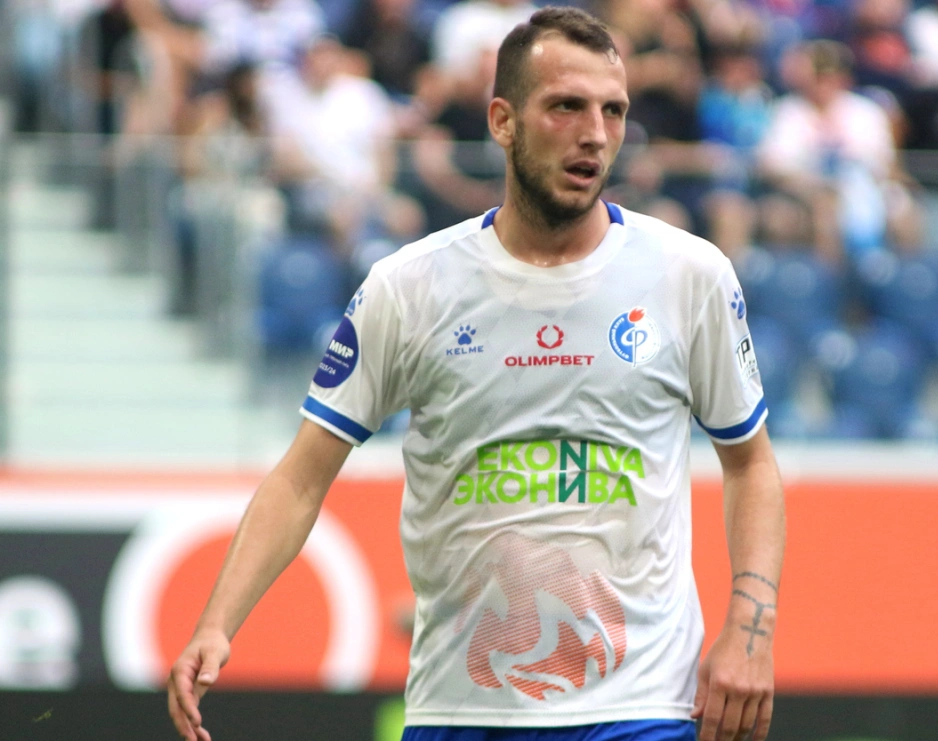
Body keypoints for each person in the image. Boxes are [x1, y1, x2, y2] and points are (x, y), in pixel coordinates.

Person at [166, 8, 786, 741]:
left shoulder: (690, 274)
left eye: (613, 110)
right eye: (567, 106)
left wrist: (751, 628)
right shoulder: (409, 286)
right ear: (502, 121)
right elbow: (302, 476)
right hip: (460, 709)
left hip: (642, 704)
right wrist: (217, 621)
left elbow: (750, 464)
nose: (595, 133)